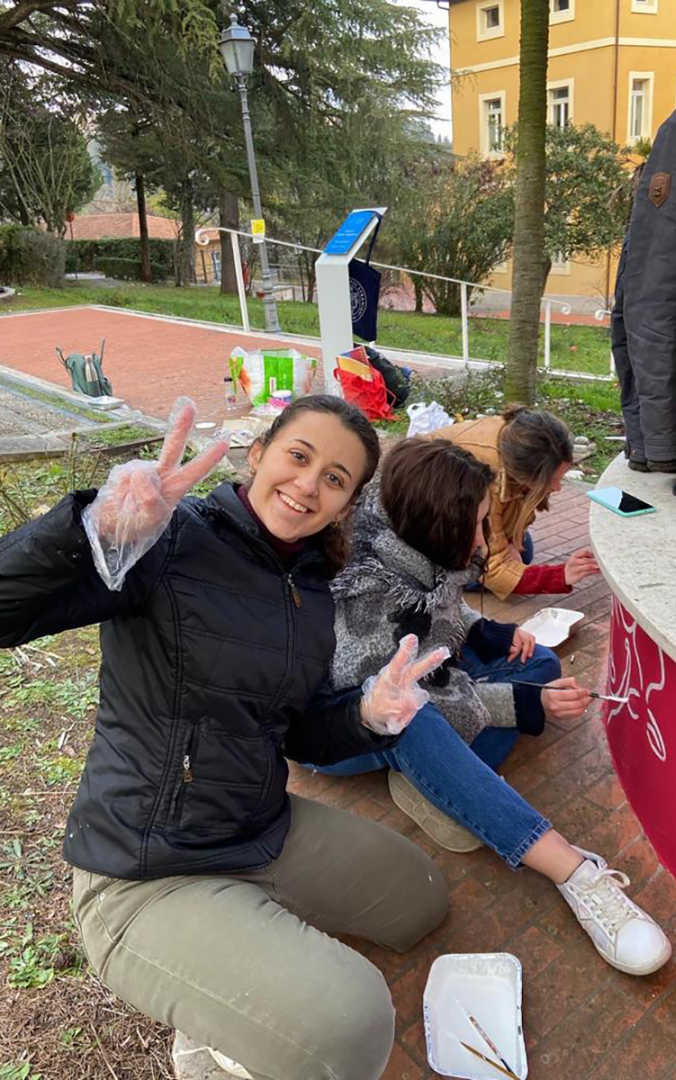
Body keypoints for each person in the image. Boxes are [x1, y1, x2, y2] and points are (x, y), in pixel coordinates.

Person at [0, 395, 452, 1080]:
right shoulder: (164, 538)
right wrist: (95, 529)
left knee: (422, 897)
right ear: (259, 452)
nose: (308, 484)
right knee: (352, 1027)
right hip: (146, 871)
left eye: (334, 478)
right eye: (298, 456)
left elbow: (298, 733)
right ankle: (213, 1022)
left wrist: (366, 714)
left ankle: (242, 935)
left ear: (346, 503)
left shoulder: (310, 586)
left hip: (257, 827)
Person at [311, 437, 672, 978]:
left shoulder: (407, 531)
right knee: (416, 720)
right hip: (342, 725)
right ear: (438, 527)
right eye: (476, 527)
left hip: (416, 676)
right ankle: (575, 872)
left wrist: (491, 632)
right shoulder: (366, 597)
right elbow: (414, 692)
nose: (483, 541)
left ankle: (444, 782)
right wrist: (526, 703)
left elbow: (439, 602)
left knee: (540, 661)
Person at [430, 405, 600, 600]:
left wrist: (509, 541)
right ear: (523, 474)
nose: (558, 487)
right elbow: (493, 567)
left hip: (460, 511)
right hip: (425, 529)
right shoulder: (484, 479)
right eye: (551, 480)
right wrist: (561, 575)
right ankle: (440, 574)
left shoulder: (518, 444)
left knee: (523, 553)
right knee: (489, 571)